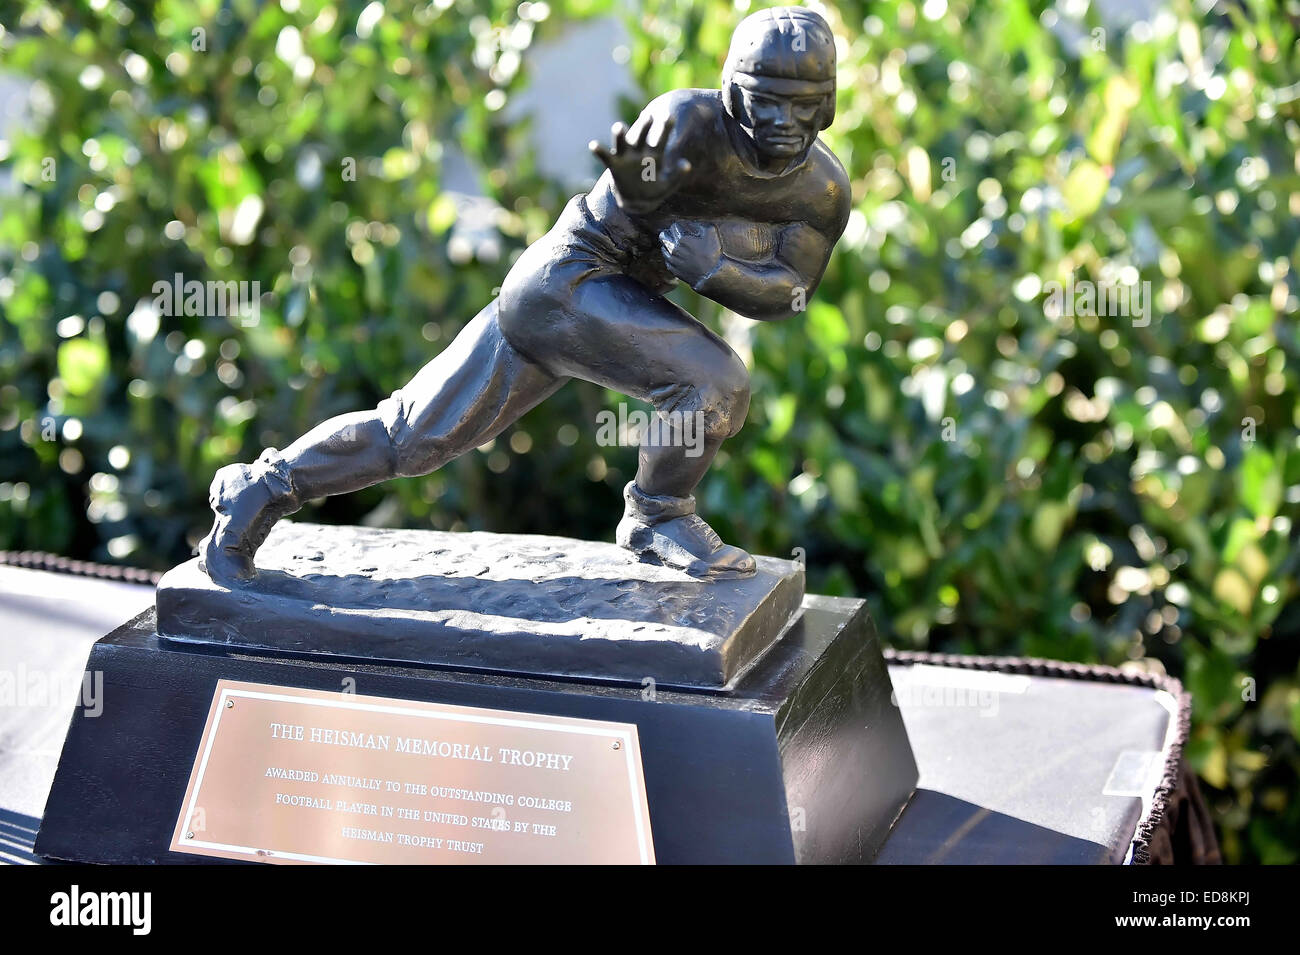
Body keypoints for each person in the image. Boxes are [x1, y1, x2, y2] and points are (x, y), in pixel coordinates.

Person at [199, 5, 850, 583]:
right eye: (765, 101)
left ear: (827, 105)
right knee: (714, 382)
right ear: (733, 92)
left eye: (802, 104)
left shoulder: (819, 190)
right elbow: (634, 194)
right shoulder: (688, 123)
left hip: (600, 302)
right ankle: (656, 514)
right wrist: (639, 195)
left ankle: (262, 486)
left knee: (416, 436)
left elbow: (788, 293)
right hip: (566, 282)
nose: (783, 122)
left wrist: (714, 271)